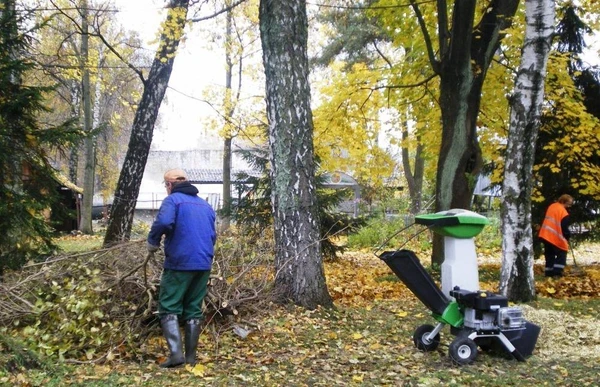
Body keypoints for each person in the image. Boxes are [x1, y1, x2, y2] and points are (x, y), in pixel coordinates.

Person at [147, 168, 216, 368]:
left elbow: (164, 221)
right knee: (193, 308)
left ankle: (176, 356)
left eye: (165, 186)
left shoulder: (173, 200)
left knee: (169, 306)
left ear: (169, 185)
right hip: (203, 263)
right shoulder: (205, 205)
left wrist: (153, 241)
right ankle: (191, 359)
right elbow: (213, 235)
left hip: (180, 262)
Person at [538, 194, 573, 277]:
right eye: (569, 204)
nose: (569, 206)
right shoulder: (563, 212)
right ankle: (557, 272)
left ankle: (548, 272)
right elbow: (564, 228)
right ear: (565, 202)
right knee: (562, 252)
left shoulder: (552, 206)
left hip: (545, 234)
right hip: (554, 236)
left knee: (549, 254)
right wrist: (567, 236)